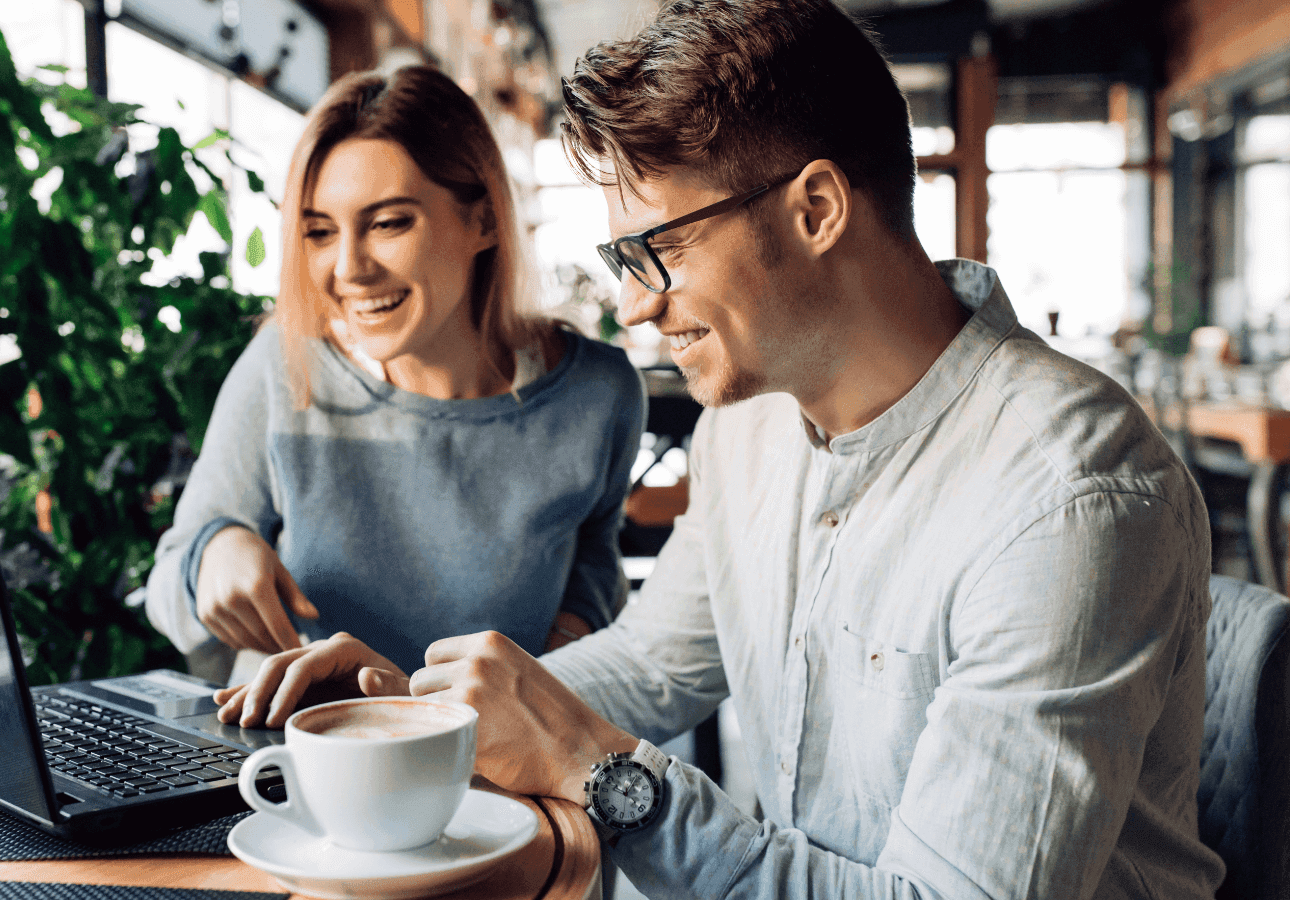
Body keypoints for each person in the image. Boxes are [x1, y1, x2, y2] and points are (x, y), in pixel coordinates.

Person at [233, 1, 1228, 897]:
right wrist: (415, 715)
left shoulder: (1067, 499)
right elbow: (657, 665)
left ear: (817, 210)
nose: (631, 304)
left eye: (655, 251)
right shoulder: (748, 426)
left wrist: (602, 774)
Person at [144, 65, 645, 700]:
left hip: (493, 761)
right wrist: (213, 554)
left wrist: (546, 673)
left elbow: (595, 563)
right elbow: (171, 583)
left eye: (388, 223)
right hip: (307, 758)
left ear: (483, 221)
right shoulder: (283, 364)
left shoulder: (598, 394)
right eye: (319, 232)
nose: (348, 268)